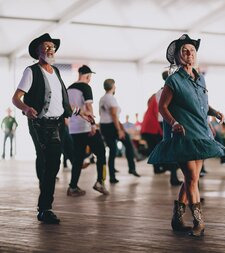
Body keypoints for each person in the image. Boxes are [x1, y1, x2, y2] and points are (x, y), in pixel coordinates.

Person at [148, 34, 225, 237]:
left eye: (192, 51)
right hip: (183, 136)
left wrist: (214, 112)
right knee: (192, 177)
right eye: (185, 51)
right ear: (178, 56)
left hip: (201, 134)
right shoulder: (174, 80)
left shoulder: (200, 77)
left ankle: (177, 220)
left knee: (190, 180)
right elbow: (163, 107)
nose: (189, 54)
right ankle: (199, 221)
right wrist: (174, 123)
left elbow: (200, 104)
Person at [12, 33, 94, 224]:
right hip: (42, 124)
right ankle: (45, 209)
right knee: (50, 164)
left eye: (52, 47)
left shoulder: (55, 72)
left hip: (59, 123)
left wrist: (81, 113)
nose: (50, 49)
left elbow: (61, 102)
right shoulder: (31, 71)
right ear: (37, 51)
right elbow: (16, 98)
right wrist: (26, 108)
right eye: (46, 46)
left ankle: (45, 205)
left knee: (54, 164)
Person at [66, 65, 109, 196]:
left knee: (78, 158)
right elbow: (89, 107)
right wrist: (93, 125)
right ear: (88, 76)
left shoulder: (68, 88)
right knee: (101, 152)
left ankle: (73, 187)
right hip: (85, 126)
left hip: (73, 129)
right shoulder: (86, 87)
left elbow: (68, 109)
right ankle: (100, 182)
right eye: (90, 77)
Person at [99, 78, 140, 183]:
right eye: (115, 85)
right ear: (112, 86)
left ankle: (112, 176)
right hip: (112, 126)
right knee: (128, 144)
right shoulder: (111, 98)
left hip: (104, 126)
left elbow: (105, 115)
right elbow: (114, 115)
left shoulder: (102, 98)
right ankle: (132, 168)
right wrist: (119, 130)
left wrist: (120, 126)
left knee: (112, 151)